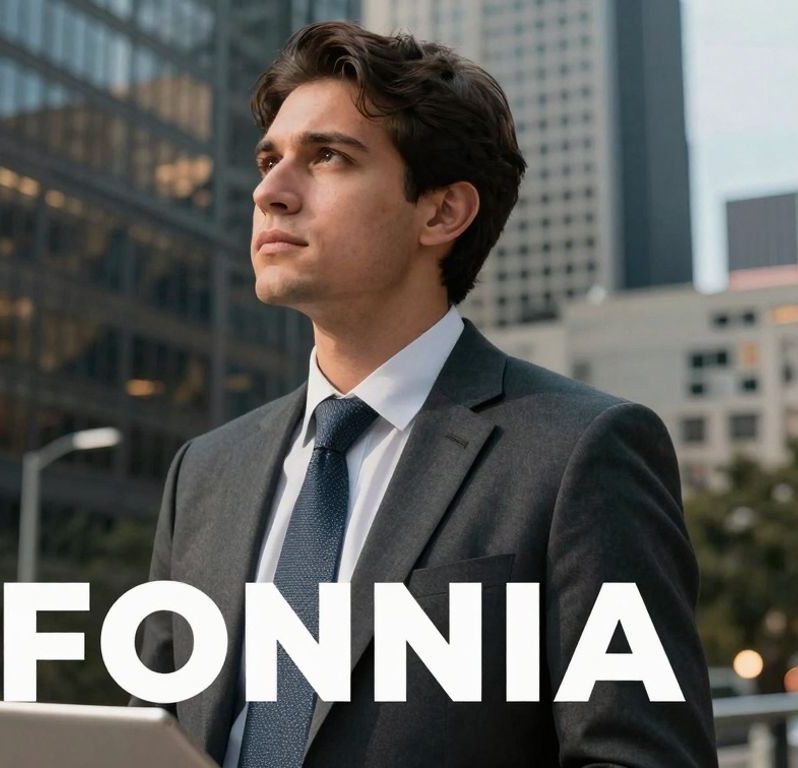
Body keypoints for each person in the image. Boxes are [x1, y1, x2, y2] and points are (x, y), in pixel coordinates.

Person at [133, 20, 717, 767]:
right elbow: (150, 734)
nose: (269, 191)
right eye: (270, 159)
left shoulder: (582, 453)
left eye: (328, 157)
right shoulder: (204, 473)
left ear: (441, 212)